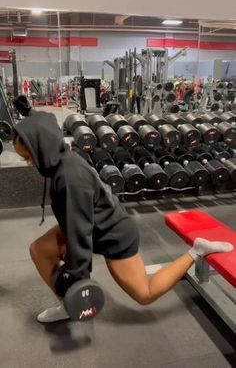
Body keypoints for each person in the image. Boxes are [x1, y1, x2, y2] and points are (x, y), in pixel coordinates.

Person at [13, 111, 233, 323]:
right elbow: (77, 225)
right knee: (39, 250)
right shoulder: (59, 159)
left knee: (144, 294)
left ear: (42, 147)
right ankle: (68, 307)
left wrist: (76, 276)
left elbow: (79, 234)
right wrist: (29, 112)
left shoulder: (71, 178)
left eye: (29, 156)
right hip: (88, 222)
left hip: (113, 235)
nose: (29, 163)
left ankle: (197, 251)